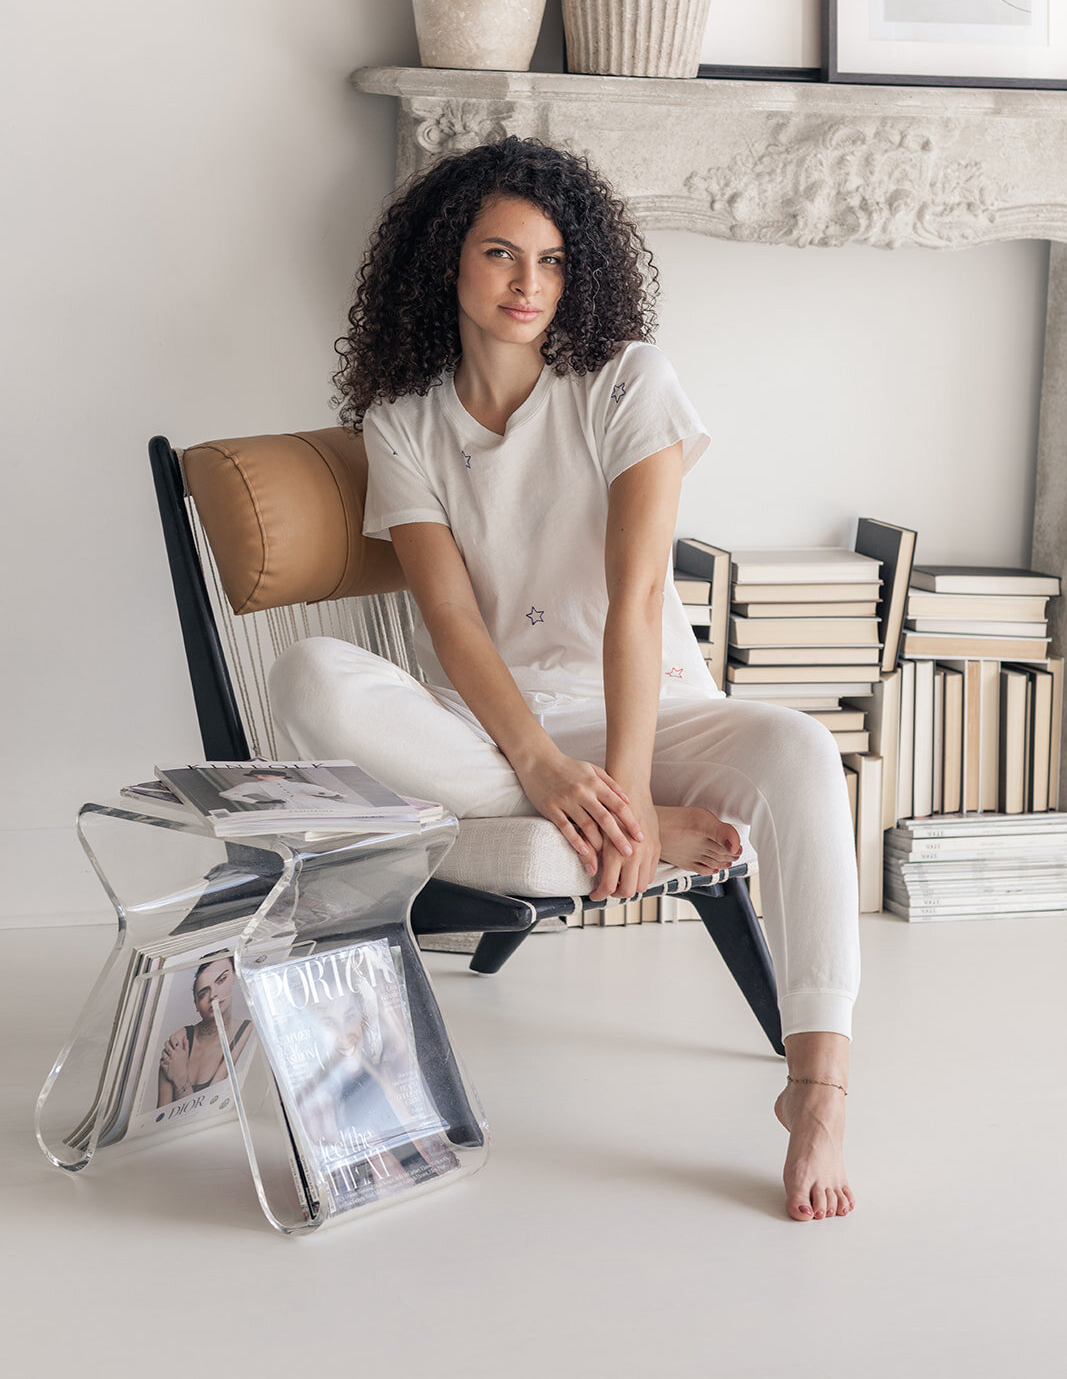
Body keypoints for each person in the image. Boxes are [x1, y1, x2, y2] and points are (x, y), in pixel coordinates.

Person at [269, 138, 860, 1222]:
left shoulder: (626, 381)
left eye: (547, 260)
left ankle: (815, 1088)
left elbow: (638, 598)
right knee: (308, 674)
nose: (526, 285)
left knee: (799, 749)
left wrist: (627, 786)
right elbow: (448, 618)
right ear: (445, 262)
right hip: (502, 729)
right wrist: (539, 765)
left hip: (657, 704)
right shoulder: (402, 423)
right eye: (499, 254)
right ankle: (605, 809)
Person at [157, 952, 254, 1106]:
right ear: (196, 1003)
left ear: (235, 976)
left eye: (221, 980)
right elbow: (160, 1119)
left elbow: (210, 1109)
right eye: (203, 993)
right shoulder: (178, 1042)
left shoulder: (248, 1031)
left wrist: (181, 1079)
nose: (213, 995)